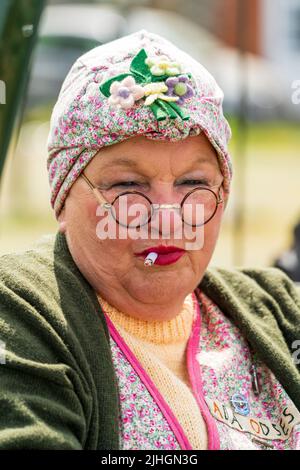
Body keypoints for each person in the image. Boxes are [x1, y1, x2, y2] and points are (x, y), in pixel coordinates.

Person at [0, 30, 300, 451]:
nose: (167, 219)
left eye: (194, 182)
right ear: (63, 197)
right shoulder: (22, 315)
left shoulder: (278, 311)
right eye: (127, 185)